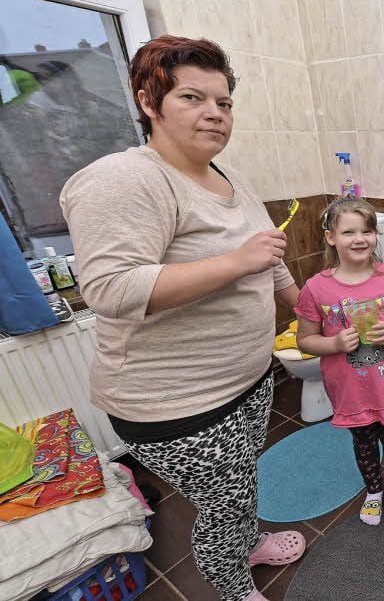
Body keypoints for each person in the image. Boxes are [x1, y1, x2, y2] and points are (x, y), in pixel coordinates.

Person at [60, 35, 305, 601]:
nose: (215, 113)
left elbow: (266, 264)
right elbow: (111, 288)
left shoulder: (230, 179)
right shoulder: (125, 180)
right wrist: (236, 260)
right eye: (193, 98)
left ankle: (243, 547)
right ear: (150, 101)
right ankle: (236, 588)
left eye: (224, 102)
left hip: (243, 383)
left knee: (240, 486)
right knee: (225, 503)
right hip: (176, 404)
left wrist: (313, 311)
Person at [295, 196, 384, 528]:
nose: (359, 239)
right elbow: (305, 340)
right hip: (351, 388)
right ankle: (372, 491)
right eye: (349, 231)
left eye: (367, 231)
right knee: (363, 443)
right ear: (331, 237)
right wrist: (335, 342)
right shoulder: (315, 288)